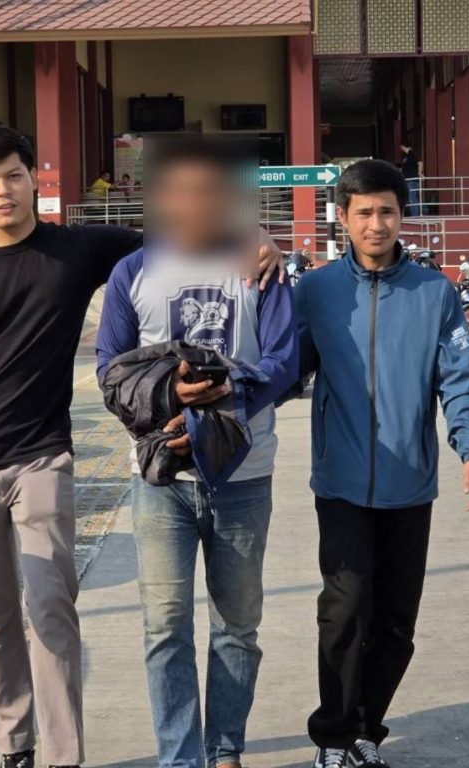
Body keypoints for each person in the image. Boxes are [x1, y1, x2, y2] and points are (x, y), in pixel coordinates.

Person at [0, 126, 284, 768]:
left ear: (34, 178)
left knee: (50, 605)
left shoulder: (77, 249)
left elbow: (185, 233)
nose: (3, 190)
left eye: (13, 175)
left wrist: (252, 235)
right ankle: (16, 746)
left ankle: (64, 756)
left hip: (42, 457)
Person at [96, 137, 298, 768]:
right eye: (181, 190)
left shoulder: (259, 266)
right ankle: (181, 759)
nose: (195, 202)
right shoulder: (132, 272)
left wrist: (228, 392)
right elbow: (109, 372)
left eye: (210, 190)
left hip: (245, 477)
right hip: (162, 482)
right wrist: (171, 399)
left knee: (238, 626)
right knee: (164, 627)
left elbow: (285, 362)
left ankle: (225, 749)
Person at [295, 159, 469, 768]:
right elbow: (284, 368)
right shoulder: (315, 292)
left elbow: (459, 378)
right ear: (343, 217)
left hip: (410, 480)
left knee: (396, 622)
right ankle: (333, 736)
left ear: (402, 216)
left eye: (386, 211)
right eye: (363, 213)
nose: (375, 224)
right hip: (341, 480)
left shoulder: (435, 293)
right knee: (344, 609)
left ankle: (364, 730)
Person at [398, 141, 419, 216]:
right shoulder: (407, 156)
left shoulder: (412, 153)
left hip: (411, 179)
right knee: (411, 198)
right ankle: (414, 214)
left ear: (404, 146)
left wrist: (419, 173)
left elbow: (419, 163)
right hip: (408, 179)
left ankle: (415, 215)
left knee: (412, 198)